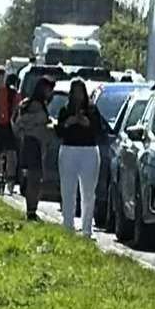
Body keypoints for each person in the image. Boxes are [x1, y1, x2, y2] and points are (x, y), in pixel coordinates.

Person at [55, 78, 106, 237]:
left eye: (80, 92)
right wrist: (68, 123)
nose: (78, 96)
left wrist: (87, 123)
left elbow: (99, 131)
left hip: (89, 151)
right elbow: (58, 132)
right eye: (75, 92)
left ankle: (86, 229)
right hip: (68, 150)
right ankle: (68, 226)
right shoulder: (65, 110)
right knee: (67, 191)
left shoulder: (92, 110)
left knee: (88, 192)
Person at [13, 76, 55, 221]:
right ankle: (31, 211)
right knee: (34, 179)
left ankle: (32, 209)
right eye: (49, 89)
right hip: (33, 143)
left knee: (36, 179)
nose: (51, 93)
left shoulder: (33, 104)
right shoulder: (34, 106)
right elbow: (22, 123)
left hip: (34, 143)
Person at [0, 66, 20, 195]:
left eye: (2, 74)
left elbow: (17, 107)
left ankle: (10, 180)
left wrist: (14, 120)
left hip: (9, 125)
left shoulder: (12, 92)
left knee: (11, 153)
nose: (0, 77)